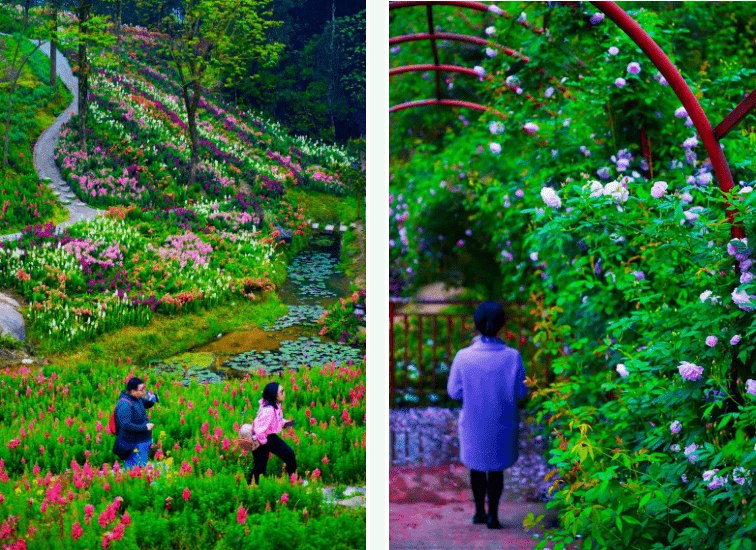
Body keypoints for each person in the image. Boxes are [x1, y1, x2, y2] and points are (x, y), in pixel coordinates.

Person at [447, 300, 529, 529]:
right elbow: (522, 391)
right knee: (496, 470)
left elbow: (453, 392)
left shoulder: (463, 356)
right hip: (503, 423)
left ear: (476, 324)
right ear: (503, 324)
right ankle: (494, 515)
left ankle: (479, 513)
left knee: (477, 467)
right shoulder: (513, 356)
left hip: (474, 422)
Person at [247, 382, 297, 485]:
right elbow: (259, 429)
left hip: (270, 437)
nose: (284, 393)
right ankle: (251, 487)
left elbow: (275, 421)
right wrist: (264, 443)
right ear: (274, 394)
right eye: (281, 391)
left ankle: (292, 480)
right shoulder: (268, 410)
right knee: (260, 467)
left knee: (289, 454)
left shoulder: (275, 405)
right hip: (261, 440)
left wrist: (284, 423)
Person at [115, 377, 158, 470]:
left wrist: (153, 400)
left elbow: (146, 403)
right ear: (133, 391)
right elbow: (126, 425)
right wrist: (145, 427)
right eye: (141, 390)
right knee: (134, 471)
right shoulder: (124, 404)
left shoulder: (137, 399)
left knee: (141, 469)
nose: (144, 392)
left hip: (142, 442)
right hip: (134, 444)